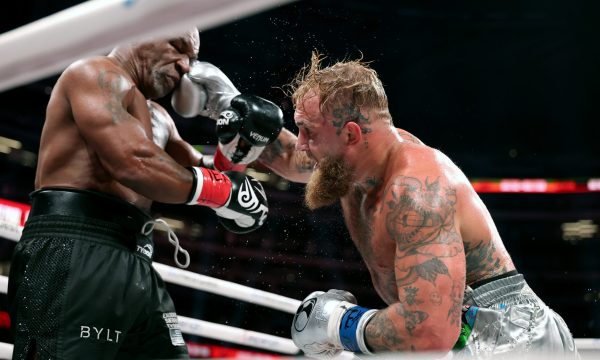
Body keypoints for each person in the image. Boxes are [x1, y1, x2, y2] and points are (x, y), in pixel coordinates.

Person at [177, 53, 580, 358]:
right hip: (456, 332)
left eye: (308, 132)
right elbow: (292, 158)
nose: (300, 144)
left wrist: (339, 325)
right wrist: (229, 105)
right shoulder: (353, 160)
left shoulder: (416, 190)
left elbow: (431, 335)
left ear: (351, 134)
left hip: (507, 336)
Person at [8, 28, 283, 360]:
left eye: (192, 59)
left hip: (135, 257)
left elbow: (196, 173)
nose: (185, 66)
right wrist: (223, 191)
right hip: (75, 246)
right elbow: (134, 162)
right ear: (140, 30)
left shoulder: (160, 116)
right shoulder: (93, 74)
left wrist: (233, 151)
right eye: (177, 47)